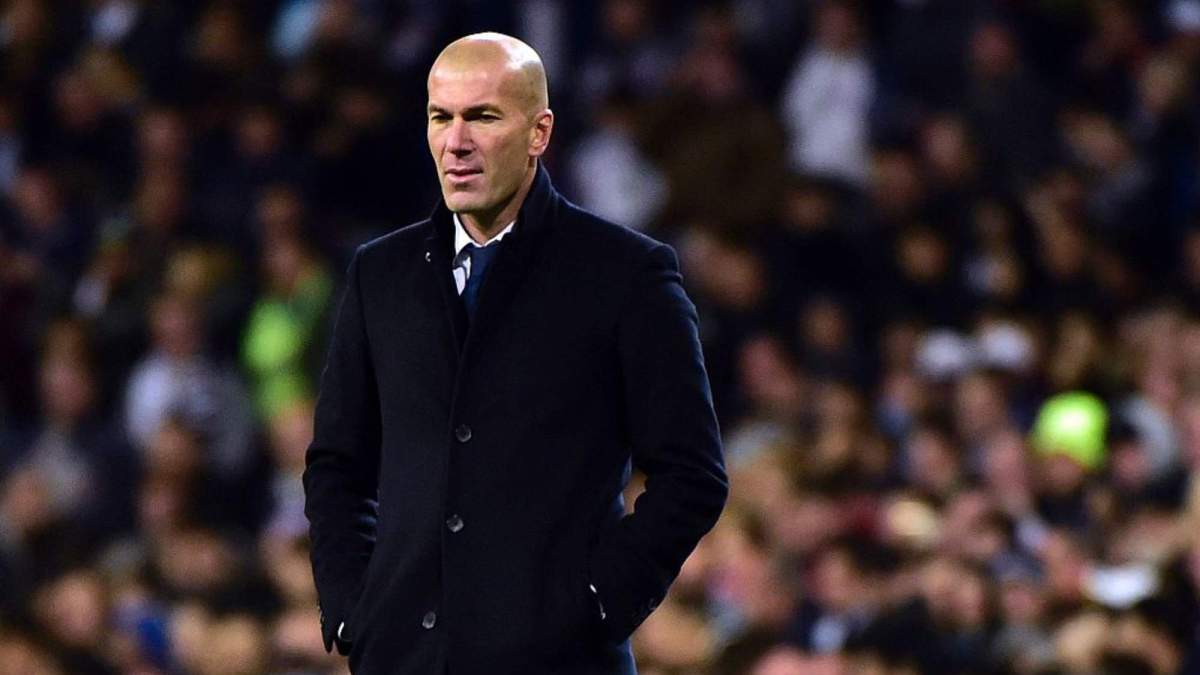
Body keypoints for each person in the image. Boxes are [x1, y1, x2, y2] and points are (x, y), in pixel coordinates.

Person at [302, 32, 728, 674]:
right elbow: (338, 464)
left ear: (539, 132)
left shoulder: (624, 273)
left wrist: (594, 607)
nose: (456, 141)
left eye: (483, 116)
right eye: (440, 117)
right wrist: (349, 606)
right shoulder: (379, 273)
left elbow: (692, 475)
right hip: (401, 658)